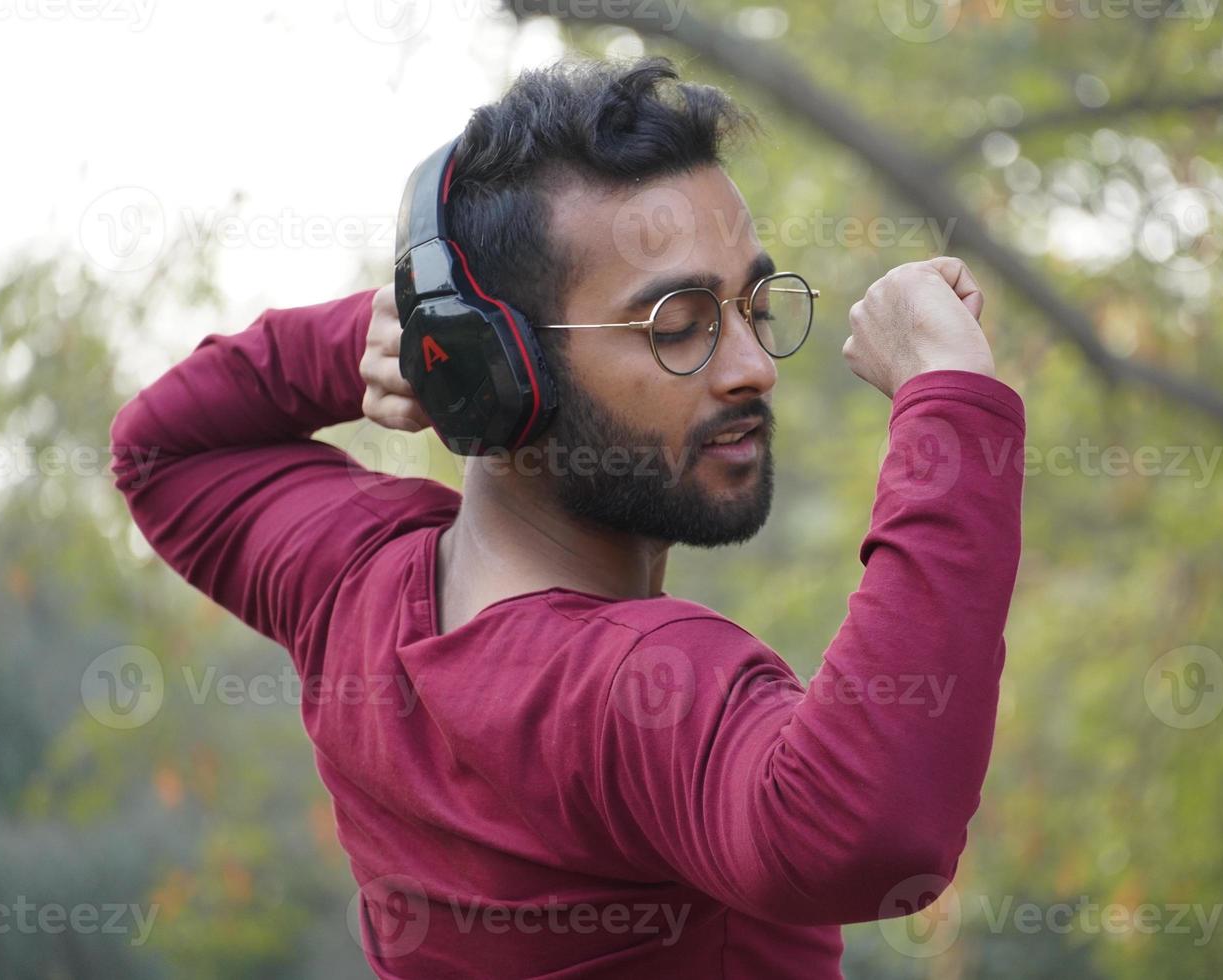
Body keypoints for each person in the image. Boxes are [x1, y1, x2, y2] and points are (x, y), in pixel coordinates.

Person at [109, 55, 1025, 979]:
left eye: (751, 303)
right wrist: (947, 407)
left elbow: (162, 450)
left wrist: (363, 336)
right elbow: (867, 835)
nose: (754, 365)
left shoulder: (354, 585)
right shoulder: (634, 690)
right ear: (496, 364)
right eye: (678, 324)